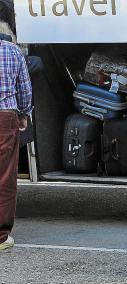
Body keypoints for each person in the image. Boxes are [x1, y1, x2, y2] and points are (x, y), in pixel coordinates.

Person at [0, 21, 32, 251]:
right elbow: (24, 88)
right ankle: (1, 236)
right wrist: (24, 114)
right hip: (5, 117)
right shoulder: (12, 51)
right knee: (4, 177)